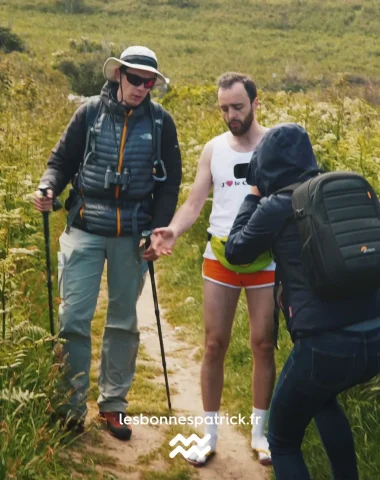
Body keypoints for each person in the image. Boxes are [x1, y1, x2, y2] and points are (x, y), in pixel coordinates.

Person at [34, 46, 182, 440]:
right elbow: (61, 160)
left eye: (148, 82)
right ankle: (69, 406)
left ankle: (113, 405)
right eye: (134, 79)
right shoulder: (88, 114)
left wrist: (159, 228)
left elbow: (169, 186)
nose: (140, 87)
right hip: (84, 225)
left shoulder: (162, 123)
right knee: (73, 319)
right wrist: (48, 186)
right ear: (118, 75)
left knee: (123, 321)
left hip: (133, 233)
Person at [224, 122, 380, 479]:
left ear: (266, 163)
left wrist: (252, 195)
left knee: (282, 439)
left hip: (325, 347)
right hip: (375, 334)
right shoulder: (347, 188)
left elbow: (236, 251)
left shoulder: (278, 204)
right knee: (322, 400)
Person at [150, 72, 276, 466]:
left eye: (238, 106)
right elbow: (193, 203)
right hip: (219, 256)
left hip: (265, 258)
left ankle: (260, 434)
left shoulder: (275, 145)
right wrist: (172, 230)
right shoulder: (213, 149)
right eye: (224, 108)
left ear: (256, 103)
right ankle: (210, 435)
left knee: (263, 344)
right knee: (213, 344)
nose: (231, 115)